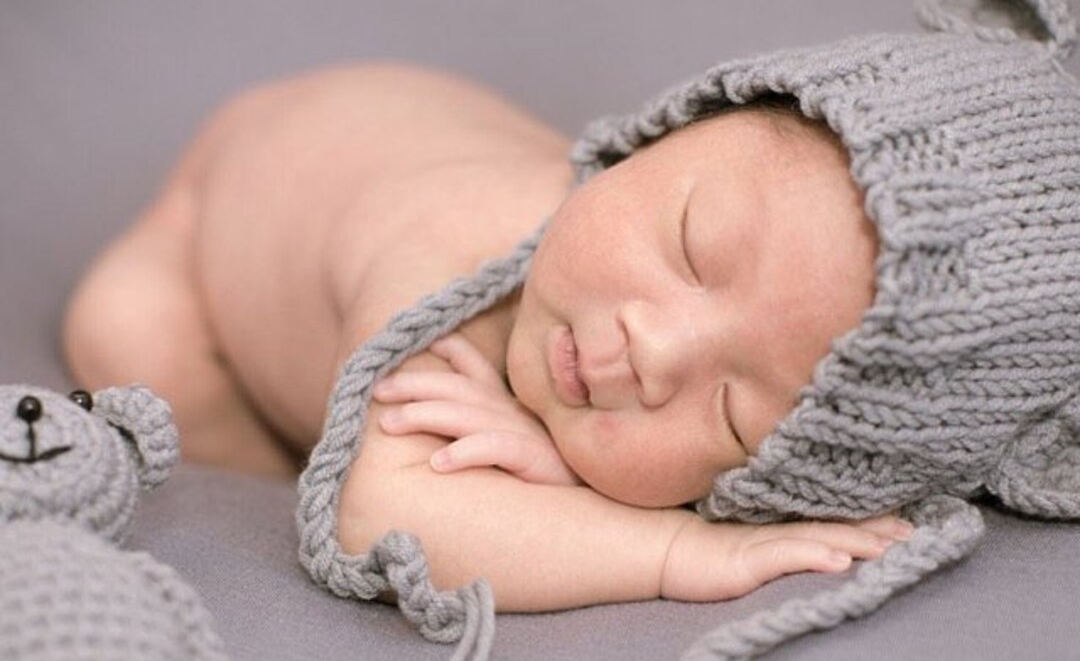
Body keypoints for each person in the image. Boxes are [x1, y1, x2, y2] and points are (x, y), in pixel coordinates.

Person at [61, 65, 904, 612]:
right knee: (125, 331)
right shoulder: (442, 261)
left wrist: (548, 470)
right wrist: (676, 548)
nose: (653, 350)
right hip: (224, 207)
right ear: (649, 144)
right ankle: (285, 450)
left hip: (384, 120)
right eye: (690, 245)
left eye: (731, 418)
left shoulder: (606, 282)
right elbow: (381, 517)